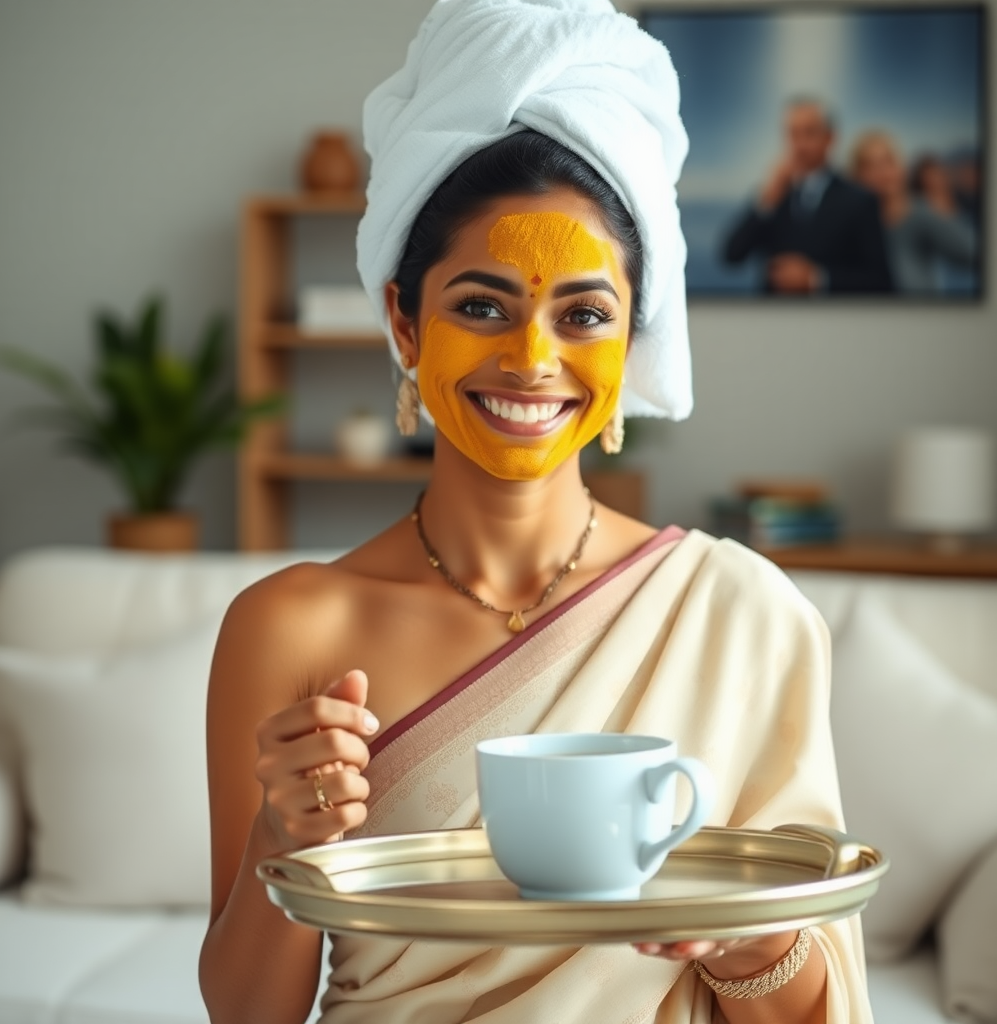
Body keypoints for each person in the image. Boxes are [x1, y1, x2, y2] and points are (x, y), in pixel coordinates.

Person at [198, 2, 873, 1022]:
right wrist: (280, 844)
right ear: (402, 319)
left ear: (629, 340)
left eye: (583, 315)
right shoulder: (289, 625)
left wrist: (748, 938)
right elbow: (245, 1013)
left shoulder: (744, 614)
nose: (531, 359)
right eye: (480, 305)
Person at [722, 97, 893, 295]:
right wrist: (765, 202)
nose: (800, 144)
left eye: (809, 133)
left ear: (830, 137)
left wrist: (817, 279)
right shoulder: (773, 195)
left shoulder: (859, 200)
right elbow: (732, 255)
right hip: (773, 320)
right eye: (793, 134)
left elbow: (880, 280)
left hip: (834, 320)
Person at [850, 131, 976, 294]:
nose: (881, 172)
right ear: (856, 175)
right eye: (870, 166)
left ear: (900, 167)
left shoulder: (921, 214)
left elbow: (973, 251)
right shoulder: (853, 225)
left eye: (888, 162)